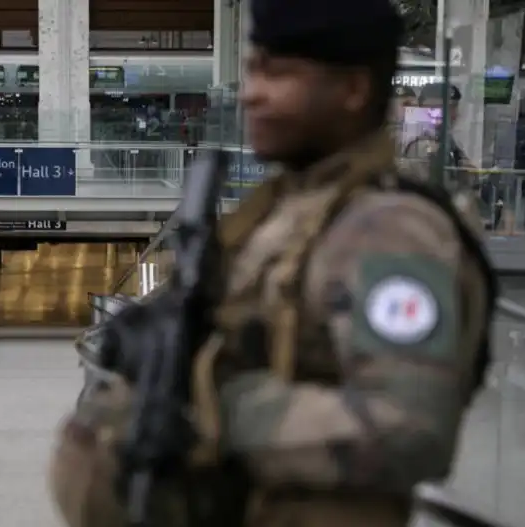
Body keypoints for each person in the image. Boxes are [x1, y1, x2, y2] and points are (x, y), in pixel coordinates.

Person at [48, 1, 497, 527]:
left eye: (279, 74)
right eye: (253, 70)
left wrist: (208, 409)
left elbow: (409, 429)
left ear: (353, 90)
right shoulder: (281, 212)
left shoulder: (391, 231)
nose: (252, 93)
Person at [402, 82, 485, 233]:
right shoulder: (421, 142)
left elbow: (466, 173)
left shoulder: (447, 140)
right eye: (449, 108)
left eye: (454, 108)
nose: (454, 115)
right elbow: (429, 184)